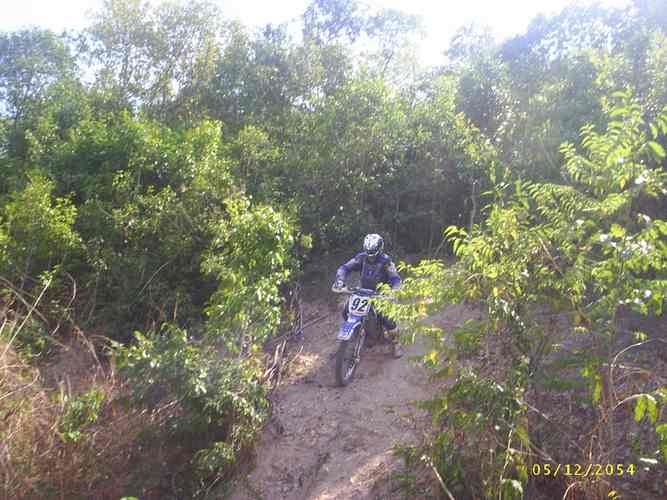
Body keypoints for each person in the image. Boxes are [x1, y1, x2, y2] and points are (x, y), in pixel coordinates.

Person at [332, 233, 403, 358]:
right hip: (362, 293)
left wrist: (394, 290)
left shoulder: (386, 261)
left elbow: (395, 278)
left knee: (388, 319)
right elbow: (344, 268)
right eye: (368, 253)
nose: (370, 257)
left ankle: (396, 343)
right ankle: (359, 333)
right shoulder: (361, 258)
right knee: (346, 311)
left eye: (373, 253)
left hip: (380, 295)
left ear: (379, 249)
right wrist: (340, 280)